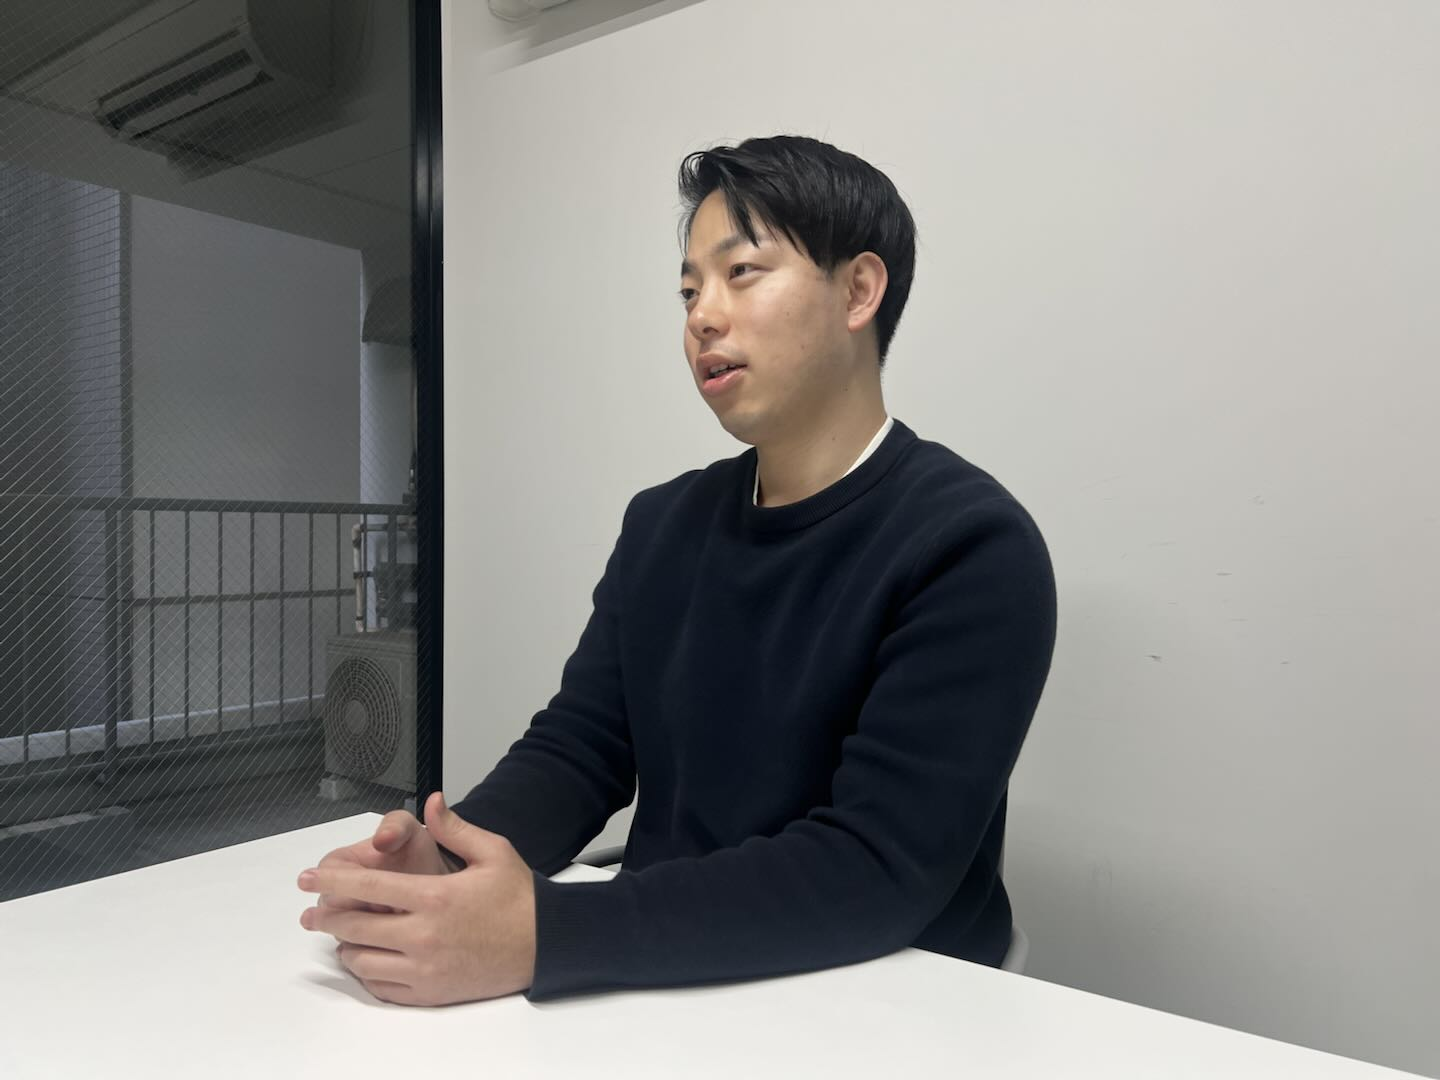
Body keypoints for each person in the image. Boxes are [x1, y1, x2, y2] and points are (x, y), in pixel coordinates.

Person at [297, 134, 1057, 1007]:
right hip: (671, 969)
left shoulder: (970, 544)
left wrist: (545, 935)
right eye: (690, 290)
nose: (702, 316)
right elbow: (581, 748)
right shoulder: (664, 523)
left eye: (743, 273)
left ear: (858, 291)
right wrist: (448, 855)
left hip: (886, 1000)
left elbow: (878, 866)